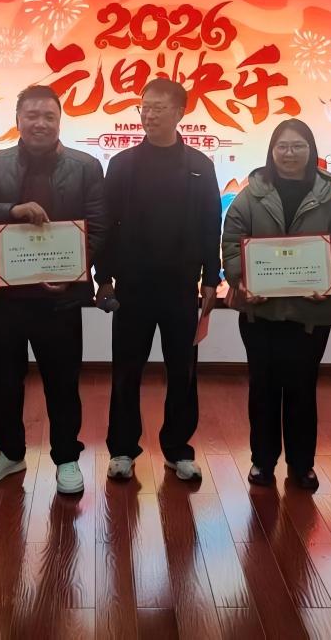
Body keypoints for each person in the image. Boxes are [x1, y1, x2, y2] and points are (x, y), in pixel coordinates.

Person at [0, 85, 108, 495]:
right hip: (6, 298)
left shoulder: (86, 167)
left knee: (62, 381)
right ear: (18, 120)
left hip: (61, 299)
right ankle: (9, 453)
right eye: (32, 115)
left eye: (49, 116)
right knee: (4, 380)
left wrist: (73, 270)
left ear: (59, 121)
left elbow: (98, 226)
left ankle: (66, 457)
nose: (40, 123)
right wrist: (10, 211)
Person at [221, 118, 331, 491]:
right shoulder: (250, 196)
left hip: (310, 313)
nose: (290, 153)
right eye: (282, 146)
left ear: (311, 151)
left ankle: (302, 465)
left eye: (298, 146)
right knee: (262, 389)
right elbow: (232, 243)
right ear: (271, 151)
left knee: (302, 389)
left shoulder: (329, 197)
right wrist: (242, 281)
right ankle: (262, 462)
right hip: (260, 312)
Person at [95, 78, 220, 483]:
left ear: (180, 113)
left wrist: (210, 279)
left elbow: (210, 224)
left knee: (182, 371)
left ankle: (178, 449)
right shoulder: (123, 165)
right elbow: (107, 225)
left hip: (181, 288)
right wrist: (104, 277)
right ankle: (122, 449)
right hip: (132, 287)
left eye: (158, 108)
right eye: (144, 107)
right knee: (126, 370)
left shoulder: (200, 166)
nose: (148, 115)